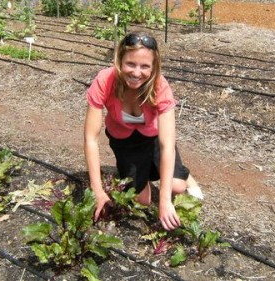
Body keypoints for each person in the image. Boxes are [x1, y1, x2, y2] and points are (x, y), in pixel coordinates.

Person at [84, 31, 203, 231]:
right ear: (119, 60)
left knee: (177, 187)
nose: (136, 72)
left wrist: (165, 201)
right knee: (142, 201)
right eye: (130, 64)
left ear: (154, 67)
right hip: (124, 142)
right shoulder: (104, 81)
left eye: (145, 66)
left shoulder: (160, 86)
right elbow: (91, 139)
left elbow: (167, 146)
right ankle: (144, 171)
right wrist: (97, 191)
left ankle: (184, 175)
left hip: (153, 138)